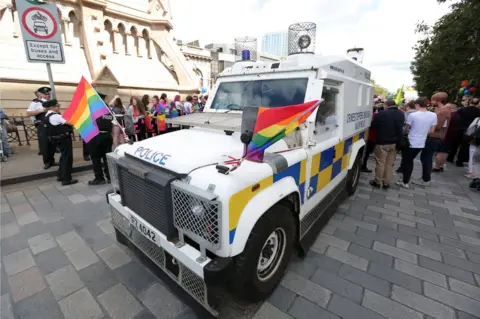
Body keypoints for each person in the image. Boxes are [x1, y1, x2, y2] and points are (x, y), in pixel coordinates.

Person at [397, 97, 437, 189]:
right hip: (422, 141)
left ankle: (405, 181)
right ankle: (404, 179)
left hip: (411, 140)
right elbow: (432, 131)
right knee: (410, 160)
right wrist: (422, 133)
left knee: (408, 161)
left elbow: (406, 129)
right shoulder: (433, 115)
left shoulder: (413, 115)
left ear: (417, 105)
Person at [412, 92, 450, 186]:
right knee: (425, 158)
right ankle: (425, 178)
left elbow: (437, 126)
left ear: (438, 100)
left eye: (433, 100)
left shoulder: (442, 111)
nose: (431, 102)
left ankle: (425, 180)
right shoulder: (441, 110)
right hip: (433, 138)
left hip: (433, 138)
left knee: (426, 158)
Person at [369, 99, 404, 189]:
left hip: (382, 142)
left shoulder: (382, 113)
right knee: (389, 164)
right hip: (394, 143)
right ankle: (386, 182)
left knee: (380, 162)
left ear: (386, 105)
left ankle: (377, 181)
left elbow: (373, 125)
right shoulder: (401, 113)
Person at [43, 99, 77, 186]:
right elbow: (70, 123)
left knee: (63, 157)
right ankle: (66, 179)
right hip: (63, 139)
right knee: (67, 158)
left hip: (57, 139)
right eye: (58, 106)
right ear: (52, 107)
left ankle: (60, 175)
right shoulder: (55, 116)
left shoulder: (47, 115)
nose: (59, 108)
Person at [27, 87, 57, 169]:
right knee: (45, 144)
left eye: (49, 94)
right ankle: (47, 162)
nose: (48, 95)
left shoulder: (51, 102)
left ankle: (52, 160)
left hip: (52, 125)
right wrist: (41, 111)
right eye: (46, 94)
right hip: (43, 126)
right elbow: (28, 113)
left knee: (52, 143)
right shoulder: (36, 103)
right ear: (40, 94)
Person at [88, 92, 114, 185]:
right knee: (106, 158)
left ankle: (99, 178)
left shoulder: (93, 108)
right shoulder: (107, 108)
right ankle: (110, 177)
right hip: (107, 136)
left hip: (96, 136)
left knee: (95, 158)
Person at [453, 97, 480, 167]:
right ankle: (460, 161)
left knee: (455, 144)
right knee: (464, 146)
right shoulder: (478, 112)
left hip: (459, 128)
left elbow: (455, 116)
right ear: (477, 104)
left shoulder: (462, 109)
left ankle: (450, 157)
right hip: (470, 130)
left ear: (470, 102)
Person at [434, 103, 459, 172]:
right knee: (445, 152)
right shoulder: (457, 115)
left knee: (440, 152)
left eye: (445, 108)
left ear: (450, 108)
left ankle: (437, 167)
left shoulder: (449, 115)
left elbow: (441, 126)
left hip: (445, 135)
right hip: (452, 136)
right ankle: (441, 166)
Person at [361, 107, 377, 173]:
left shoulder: (368, 115)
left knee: (364, 153)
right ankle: (364, 166)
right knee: (367, 153)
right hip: (371, 137)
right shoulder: (375, 116)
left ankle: (363, 165)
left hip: (366, 136)